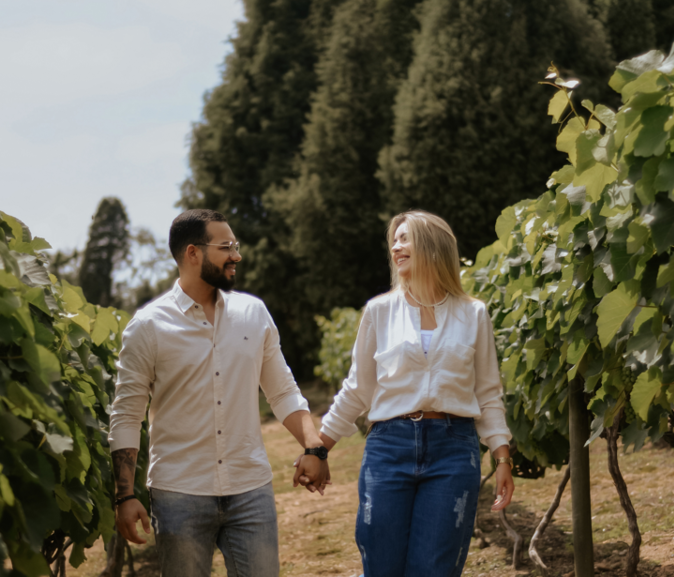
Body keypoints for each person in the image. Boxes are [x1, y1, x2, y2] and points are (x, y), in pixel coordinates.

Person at [108, 209, 330, 577]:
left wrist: (314, 446)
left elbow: (283, 391)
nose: (236, 256)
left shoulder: (253, 313)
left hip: (250, 489)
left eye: (236, 246)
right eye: (226, 247)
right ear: (193, 253)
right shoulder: (147, 326)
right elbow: (127, 415)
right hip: (179, 494)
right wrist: (125, 495)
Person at [316, 210, 514, 577]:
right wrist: (318, 448)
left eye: (405, 238)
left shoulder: (473, 314)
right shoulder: (379, 311)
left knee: (434, 570)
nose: (396, 246)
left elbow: (487, 393)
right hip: (389, 447)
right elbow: (358, 389)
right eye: (394, 240)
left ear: (432, 246)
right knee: (381, 566)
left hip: (454, 451)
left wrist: (502, 457)